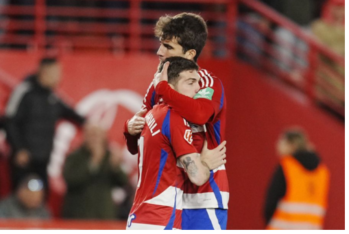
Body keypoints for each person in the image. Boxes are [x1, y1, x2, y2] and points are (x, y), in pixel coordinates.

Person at [124, 13, 229, 230]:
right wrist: (129, 129)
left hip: (205, 195)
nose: (159, 52)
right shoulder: (157, 86)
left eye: (168, 47)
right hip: (171, 197)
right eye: (161, 44)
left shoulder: (207, 83)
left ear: (190, 54)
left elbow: (200, 114)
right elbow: (139, 143)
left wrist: (163, 89)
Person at [4, 57, 86, 191]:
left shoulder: (52, 96)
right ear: (44, 72)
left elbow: (69, 111)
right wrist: (18, 149)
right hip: (24, 159)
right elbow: (9, 121)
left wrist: (87, 122)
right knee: (21, 198)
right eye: (57, 73)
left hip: (42, 159)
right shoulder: (24, 91)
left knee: (42, 196)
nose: (60, 77)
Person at [264, 128, 330, 230]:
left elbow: (270, 204)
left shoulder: (286, 166)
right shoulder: (323, 171)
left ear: (291, 145)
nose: (277, 145)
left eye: (281, 142)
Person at [62, 124, 129, 220]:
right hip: (78, 216)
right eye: (91, 134)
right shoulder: (75, 156)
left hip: (104, 216)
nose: (95, 139)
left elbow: (123, 182)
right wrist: (94, 162)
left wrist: (116, 167)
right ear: (85, 136)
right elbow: (70, 179)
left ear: (104, 137)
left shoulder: (110, 156)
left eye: (98, 135)